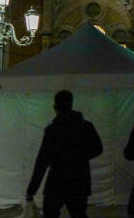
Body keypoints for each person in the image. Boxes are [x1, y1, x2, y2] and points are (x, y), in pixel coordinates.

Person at [26, 90, 104, 218]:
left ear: (55, 107)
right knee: (79, 213)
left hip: (57, 179)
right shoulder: (86, 126)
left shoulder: (52, 130)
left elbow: (42, 161)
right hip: (79, 179)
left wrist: (32, 189)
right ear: (71, 105)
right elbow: (98, 148)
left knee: (50, 213)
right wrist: (80, 157)